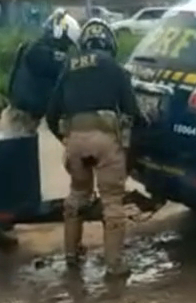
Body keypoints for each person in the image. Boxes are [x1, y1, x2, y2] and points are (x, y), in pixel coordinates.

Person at [45, 18, 143, 277]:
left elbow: (51, 114)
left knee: (77, 197)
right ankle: (114, 265)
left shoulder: (68, 67)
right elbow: (132, 111)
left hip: (76, 141)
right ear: (110, 42)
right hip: (105, 140)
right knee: (112, 201)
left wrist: (66, 140)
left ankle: (72, 255)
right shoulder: (114, 67)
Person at [0, 8, 80, 248]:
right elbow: (59, 66)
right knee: (11, 174)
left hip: (25, 117)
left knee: (12, 171)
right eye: (67, 42)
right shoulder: (39, 52)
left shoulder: (39, 50)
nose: (67, 48)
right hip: (20, 117)